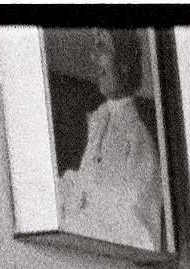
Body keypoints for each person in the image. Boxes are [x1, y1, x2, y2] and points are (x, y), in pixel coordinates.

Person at [54, 29, 166, 255]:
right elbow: (81, 186)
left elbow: (141, 238)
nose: (93, 57)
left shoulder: (137, 143)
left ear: (123, 65)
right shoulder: (99, 120)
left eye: (102, 46)